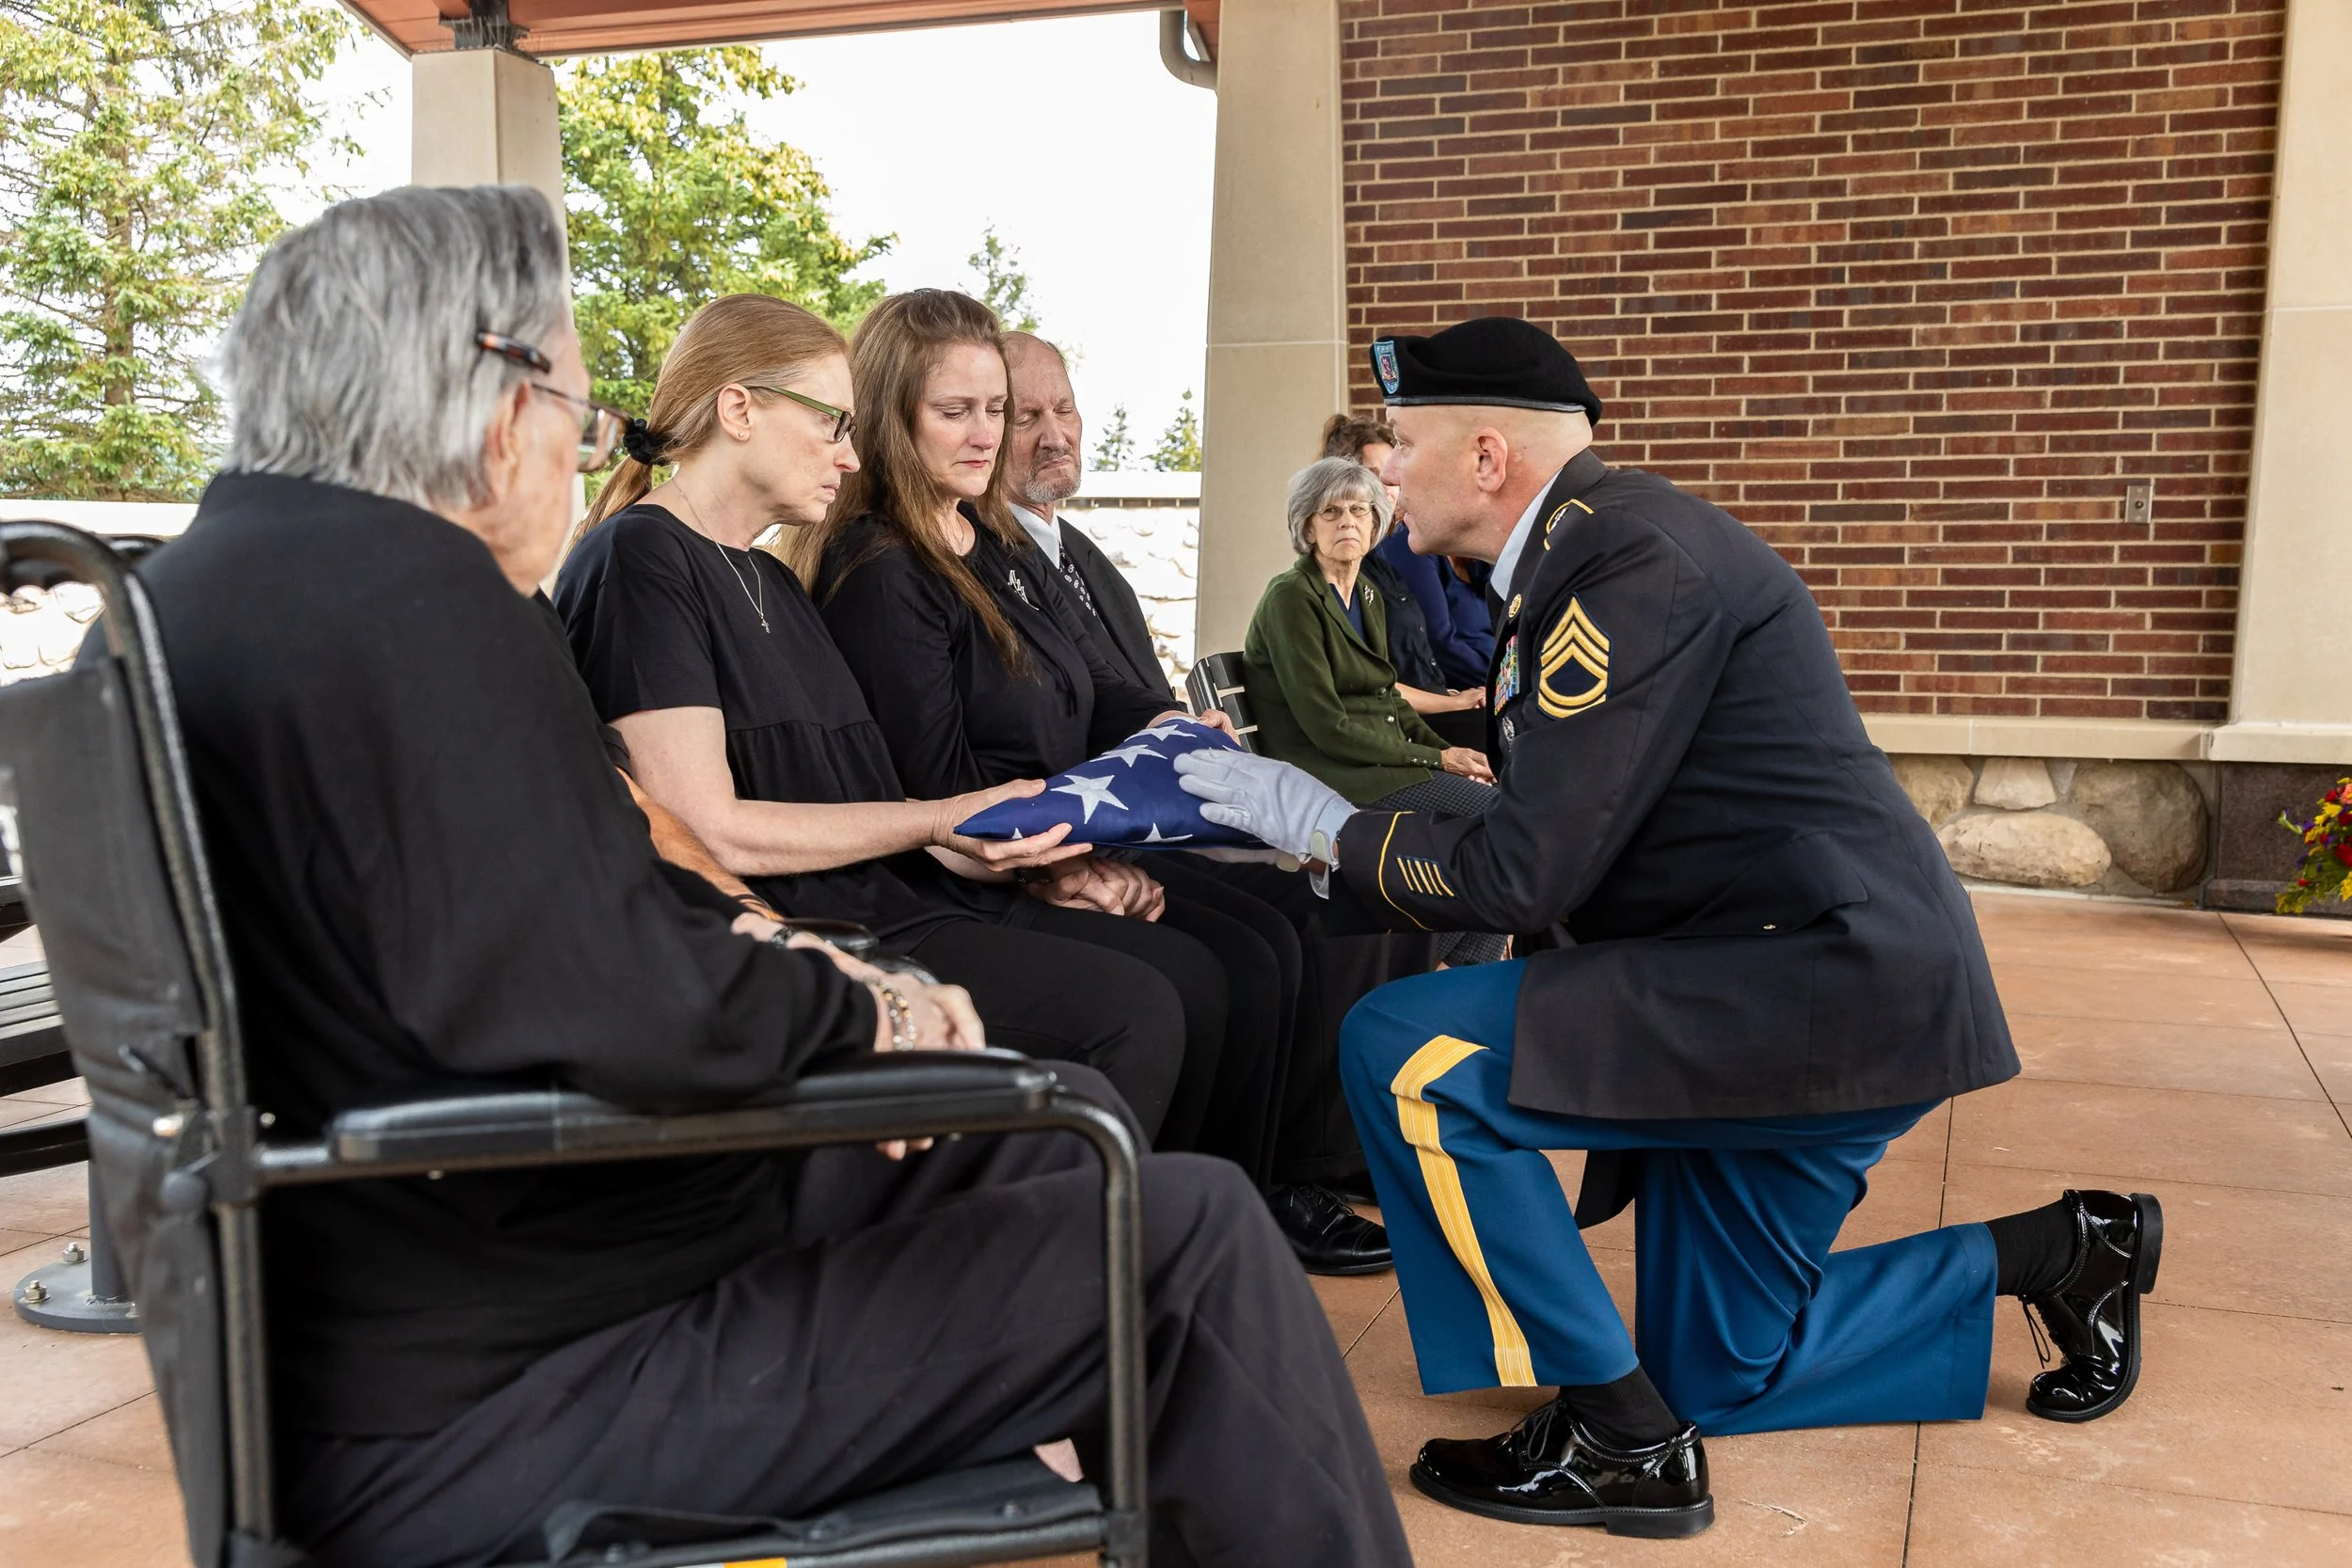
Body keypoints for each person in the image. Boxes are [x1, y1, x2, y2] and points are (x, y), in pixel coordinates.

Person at [138, 184, 1411, 1568]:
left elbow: (530, 940)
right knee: (1182, 1233)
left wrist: (807, 965)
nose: (582, 451)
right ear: (498, 400)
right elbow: (612, 996)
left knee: (1048, 1132)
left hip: (417, 1285)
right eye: (580, 410)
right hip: (512, 1370)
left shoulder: (200, 599)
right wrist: (861, 1003)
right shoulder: (420, 610)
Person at [1176, 315, 2160, 1538]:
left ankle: (1615, 1436)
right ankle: (2065, 1251)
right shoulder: (1588, 548)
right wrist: (1318, 827)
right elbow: (1564, 797)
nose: (1385, 472)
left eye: (1402, 442)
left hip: (1811, 985)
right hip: (1785, 975)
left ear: (1486, 456)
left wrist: (1329, 829)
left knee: (1408, 1050)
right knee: (1714, 1374)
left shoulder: (1625, 559)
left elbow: (1528, 868)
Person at [813, 290, 1389, 1275]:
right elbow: (936, 788)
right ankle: (1168, 1237)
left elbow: (1091, 683)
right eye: (958, 411)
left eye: (996, 409)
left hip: (1058, 836)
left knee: (1268, 936)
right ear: (890, 416)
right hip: (971, 875)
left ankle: (1234, 1203)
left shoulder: (990, 539)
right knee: (1206, 972)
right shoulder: (883, 568)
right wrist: (1066, 871)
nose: (987, 433)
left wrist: (1165, 726)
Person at [554, 293, 1192, 1139]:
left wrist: (1040, 869)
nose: (851, 456)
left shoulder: (768, 577)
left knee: (1172, 977)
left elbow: (868, 799)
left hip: (904, 898)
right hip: (822, 931)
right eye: (832, 424)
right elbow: (707, 828)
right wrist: (939, 818)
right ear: (738, 410)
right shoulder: (641, 558)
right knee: (1136, 1008)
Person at [1242, 456, 1503, 967]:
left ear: (1376, 523)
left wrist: (1451, 751)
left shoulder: (1367, 593)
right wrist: (1437, 761)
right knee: (1493, 820)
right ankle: (1424, 964)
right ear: (1307, 528)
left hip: (1374, 764)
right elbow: (1327, 728)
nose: (1347, 522)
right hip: (1331, 770)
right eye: (1331, 512)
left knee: (1496, 822)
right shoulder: (1291, 598)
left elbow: (1386, 698)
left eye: (1359, 511)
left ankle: (1448, 970)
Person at [1001, 331, 1168, 695]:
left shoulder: (1085, 556)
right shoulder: (978, 560)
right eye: (1026, 417)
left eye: (1064, 410)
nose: (1056, 438)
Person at [1326, 412, 1496, 694]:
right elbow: (1436, 645)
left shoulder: (1437, 542)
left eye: (1395, 470)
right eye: (1372, 475)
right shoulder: (1400, 543)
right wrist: (1496, 686)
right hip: (1464, 690)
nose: (1388, 484)